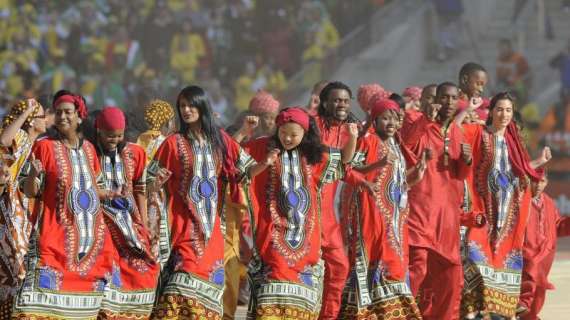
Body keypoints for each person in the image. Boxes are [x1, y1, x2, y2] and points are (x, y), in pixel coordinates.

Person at [148, 86, 265, 319]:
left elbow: (246, 171)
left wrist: (267, 162)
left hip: (213, 233)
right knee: (179, 287)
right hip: (182, 229)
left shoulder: (221, 141)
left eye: (191, 105)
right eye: (182, 106)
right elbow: (148, 180)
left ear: (202, 106)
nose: (186, 110)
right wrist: (155, 184)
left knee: (206, 302)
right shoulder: (173, 143)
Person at [242, 107, 367, 319]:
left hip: (305, 238)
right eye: (283, 133)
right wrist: (247, 134)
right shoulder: (264, 148)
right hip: (273, 232)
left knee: (303, 300)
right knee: (271, 286)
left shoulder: (315, 156)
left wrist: (352, 137)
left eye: (293, 134)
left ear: (305, 134)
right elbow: (234, 155)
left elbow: (344, 161)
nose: (288, 138)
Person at [13, 92, 116, 318]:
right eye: (58, 112)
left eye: (68, 112)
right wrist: (32, 175)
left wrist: (110, 193)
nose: (62, 117)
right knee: (30, 311)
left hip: (90, 247)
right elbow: (30, 191)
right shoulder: (44, 147)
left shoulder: (90, 150)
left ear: (80, 116)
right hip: (52, 242)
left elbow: (94, 188)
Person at [458, 92, 552, 319]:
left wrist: (538, 162)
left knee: (503, 262)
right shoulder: (479, 133)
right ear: (491, 112)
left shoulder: (514, 143)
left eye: (508, 110)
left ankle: (498, 310)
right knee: (474, 256)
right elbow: (453, 131)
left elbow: (518, 173)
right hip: (482, 211)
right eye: (500, 109)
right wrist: (465, 111)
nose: (504, 114)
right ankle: (474, 310)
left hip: (507, 217)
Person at [340, 98, 426, 319]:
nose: (390, 123)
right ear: (375, 120)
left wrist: (415, 177)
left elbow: (395, 184)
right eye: (385, 118)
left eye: (394, 119)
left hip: (395, 218)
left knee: (395, 263)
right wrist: (377, 164)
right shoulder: (367, 141)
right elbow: (349, 167)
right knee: (375, 260)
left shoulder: (396, 146)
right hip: (370, 213)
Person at [401, 82, 477, 320]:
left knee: (452, 277)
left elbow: (460, 176)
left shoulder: (456, 131)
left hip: (447, 217)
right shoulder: (415, 122)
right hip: (420, 211)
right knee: (417, 268)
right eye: (444, 97)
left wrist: (466, 161)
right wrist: (424, 119)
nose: (448, 102)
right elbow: (408, 147)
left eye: (454, 98)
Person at [91, 106, 159, 318]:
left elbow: (140, 189)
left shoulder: (136, 153)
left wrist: (144, 225)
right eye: (110, 136)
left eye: (119, 135)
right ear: (99, 131)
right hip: (101, 222)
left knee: (144, 267)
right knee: (108, 270)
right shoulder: (89, 151)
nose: (115, 140)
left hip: (129, 221)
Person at [314, 81, 360, 320]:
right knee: (306, 269)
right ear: (325, 103)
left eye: (345, 100)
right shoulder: (313, 126)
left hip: (328, 215)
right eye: (336, 100)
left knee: (339, 267)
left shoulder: (349, 129)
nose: (341, 104)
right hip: (306, 210)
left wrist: (352, 136)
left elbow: (346, 163)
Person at [518, 173, 570, 320]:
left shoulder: (549, 202)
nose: (538, 185)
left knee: (536, 304)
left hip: (544, 261)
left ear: (546, 182)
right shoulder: (519, 200)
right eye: (534, 181)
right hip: (526, 259)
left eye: (542, 181)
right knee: (524, 302)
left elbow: (558, 226)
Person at [136, 99, 176, 165]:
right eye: (173, 120)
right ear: (168, 123)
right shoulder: (165, 142)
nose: (174, 125)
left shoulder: (142, 137)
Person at [496, 38, 531, 104]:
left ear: (510, 48)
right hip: (504, 87)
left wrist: (527, 87)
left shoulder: (518, 58)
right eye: (500, 49)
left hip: (517, 88)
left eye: (504, 48)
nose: (503, 51)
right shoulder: (499, 60)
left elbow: (528, 74)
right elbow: (498, 76)